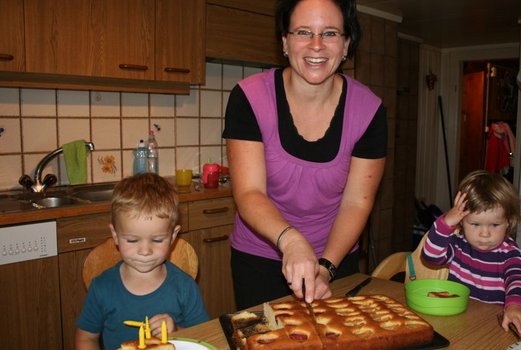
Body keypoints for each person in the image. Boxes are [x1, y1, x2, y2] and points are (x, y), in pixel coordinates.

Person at [222, 0, 387, 309]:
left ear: (346, 43)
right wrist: (291, 240)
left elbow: (357, 202)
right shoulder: (249, 97)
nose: (316, 45)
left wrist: (326, 267)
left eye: (330, 33)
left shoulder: (369, 111)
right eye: (303, 32)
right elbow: (249, 192)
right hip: (259, 257)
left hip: (334, 260)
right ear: (285, 42)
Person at [75, 173, 210, 350]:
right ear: (115, 236)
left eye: (157, 240)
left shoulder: (184, 287)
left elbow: (203, 338)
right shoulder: (102, 288)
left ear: (173, 236)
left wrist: (176, 331)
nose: (145, 251)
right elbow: (86, 338)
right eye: (132, 240)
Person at [421, 170, 521, 335]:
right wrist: (446, 223)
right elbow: (431, 256)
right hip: (458, 321)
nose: (484, 234)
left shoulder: (510, 252)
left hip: (494, 326)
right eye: (475, 224)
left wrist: (515, 306)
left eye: (494, 225)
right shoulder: (458, 244)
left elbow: (517, 279)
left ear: (508, 221)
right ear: (462, 222)